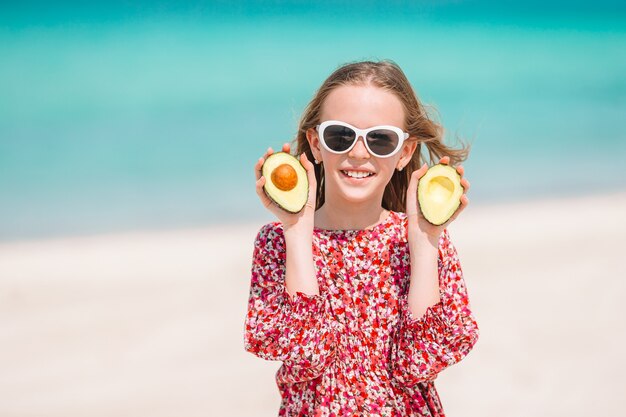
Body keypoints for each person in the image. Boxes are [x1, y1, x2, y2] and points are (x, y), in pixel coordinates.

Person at [244, 60, 479, 416]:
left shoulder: (427, 242)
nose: (357, 153)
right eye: (340, 135)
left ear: (404, 153)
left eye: (380, 139)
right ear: (316, 144)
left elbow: (418, 364)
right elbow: (306, 356)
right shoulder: (277, 242)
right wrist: (296, 231)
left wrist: (423, 242)